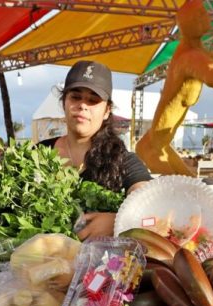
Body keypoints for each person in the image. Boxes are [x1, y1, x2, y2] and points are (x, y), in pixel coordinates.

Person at [38, 60, 152, 239]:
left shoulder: (122, 160)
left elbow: (152, 207)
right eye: (75, 97)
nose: (83, 105)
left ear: (107, 111)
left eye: (93, 100)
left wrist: (119, 222)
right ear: (64, 103)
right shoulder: (39, 153)